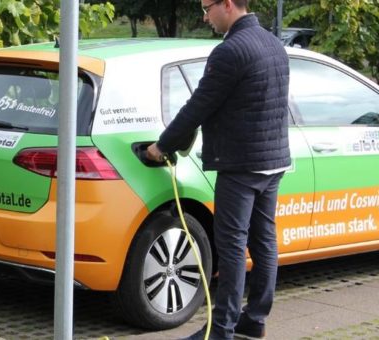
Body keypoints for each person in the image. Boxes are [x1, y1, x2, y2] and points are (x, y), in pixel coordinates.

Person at [146, 0, 290, 339]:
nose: (205, 16)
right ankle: (254, 321)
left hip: (240, 165)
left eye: (207, 7)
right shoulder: (273, 43)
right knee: (264, 240)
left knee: (232, 245)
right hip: (273, 160)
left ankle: (220, 329)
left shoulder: (230, 51)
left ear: (227, 4)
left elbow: (199, 105)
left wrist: (161, 146)